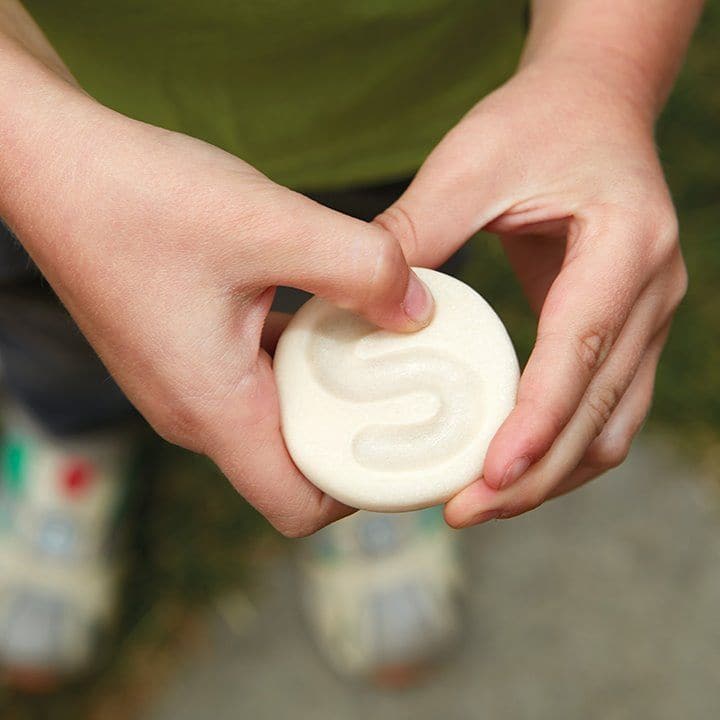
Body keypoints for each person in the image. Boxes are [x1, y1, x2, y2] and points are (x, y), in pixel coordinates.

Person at [0, 0, 701, 689]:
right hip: (65, 112)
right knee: (55, 323)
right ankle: (72, 440)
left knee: (393, 297)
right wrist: (33, 154)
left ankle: (379, 491)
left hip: (409, 110)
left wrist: (600, 63)